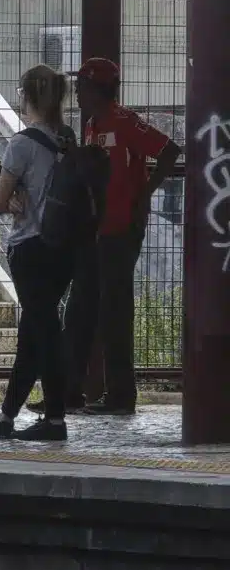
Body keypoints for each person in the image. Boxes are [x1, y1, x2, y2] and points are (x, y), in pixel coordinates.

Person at [57, 56, 179, 416]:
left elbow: (169, 151)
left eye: (80, 86)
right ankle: (68, 391)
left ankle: (121, 396)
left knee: (114, 311)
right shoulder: (92, 125)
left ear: (96, 88)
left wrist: (145, 193)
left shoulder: (125, 122)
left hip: (120, 231)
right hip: (95, 232)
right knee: (80, 310)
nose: (75, 92)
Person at [0, 65, 76, 442]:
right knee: (35, 330)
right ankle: (7, 416)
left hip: (29, 248)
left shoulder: (21, 144)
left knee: (44, 331)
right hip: (63, 250)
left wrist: (16, 200)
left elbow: (0, 202)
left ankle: (55, 420)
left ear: (25, 96)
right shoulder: (68, 139)